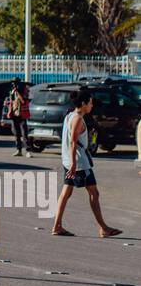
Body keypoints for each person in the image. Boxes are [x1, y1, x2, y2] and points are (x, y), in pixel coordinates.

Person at [53, 88, 121, 239]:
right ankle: (103, 228)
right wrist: (74, 164)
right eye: (90, 103)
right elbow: (72, 142)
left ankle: (57, 225)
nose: (92, 105)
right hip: (79, 163)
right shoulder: (77, 118)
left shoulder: (70, 115)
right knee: (94, 193)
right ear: (83, 103)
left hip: (68, 161)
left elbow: (73, 139)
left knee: (66, 193)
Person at [8, 78, 31, 158]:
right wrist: (9, 112)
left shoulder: (24, 90)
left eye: (15, 83)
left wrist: (17, 92)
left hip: (22, 114)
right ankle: (19, 150)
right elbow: (11, 102)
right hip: (15, 114)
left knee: (24, 133)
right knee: (16, 133)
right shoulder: (12, 91)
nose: (14, 85)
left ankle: (28, 151)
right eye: (13, 83)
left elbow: (23, 101)